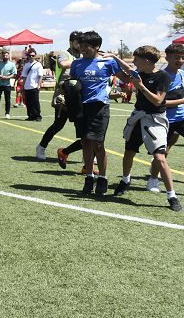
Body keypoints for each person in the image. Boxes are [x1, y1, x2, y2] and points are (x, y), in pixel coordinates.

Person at [107, 46, 178, 210]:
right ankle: (125, 180)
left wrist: (140, 86)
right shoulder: (140, 72)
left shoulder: (162, 76)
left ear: (146, 61)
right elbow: (126, 67)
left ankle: (172, 195)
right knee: (129, 152)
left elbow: (158, 101)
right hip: (138, 117)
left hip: (155, 120)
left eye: (136, 59)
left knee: (160, 158)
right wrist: (113, 56)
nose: (133, 62)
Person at [68, 30, 120, 196]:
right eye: (81, 46)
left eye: (87, 47)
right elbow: (73, 85)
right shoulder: (76, 64)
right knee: (85, 142)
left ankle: (103, 178)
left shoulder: (108, 63)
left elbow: (126, 78)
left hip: (99, 106)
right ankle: (89, 177)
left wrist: (117, 59)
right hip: (81, 107)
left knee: (98, 143)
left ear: (97, 46)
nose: (83, 49)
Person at [37, 32, 82, 160]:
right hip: (64, 94)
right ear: (71, 42)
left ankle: (89, 154)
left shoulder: (82, 55)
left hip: (78, 95)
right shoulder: (64, 54)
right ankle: (41, 147)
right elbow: (62, 64)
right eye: (77, 41)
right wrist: (81, 62)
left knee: (81, 126)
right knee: (58, 125)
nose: (80, 44)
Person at [146, 44, 184, 192]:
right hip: (164, 120)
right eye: (176, 57)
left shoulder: (181, 74)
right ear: (167, 58)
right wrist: (181, 101)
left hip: (181, 118)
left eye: (182, 57)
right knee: (162, 153)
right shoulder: (162, 76)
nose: (180, 60)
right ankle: (153, 180)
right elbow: (159, 102)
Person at [20, 48, 43, 121]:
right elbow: (24, 76)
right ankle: (30, 116)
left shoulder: (38, 64)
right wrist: (22, 86)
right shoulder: (26, 65)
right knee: (28, 102)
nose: (31, 57)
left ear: (35, 56)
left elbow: (40, 75)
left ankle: (38, 116)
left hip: (34, 86)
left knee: (35, 102)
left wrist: (38, 85)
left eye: (33, 55)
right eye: (30, 55)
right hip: (27, 86)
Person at [0, 50, 16, 118]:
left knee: (7, 99)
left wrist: (7, 77)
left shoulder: (12, 64)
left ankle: (7, 113)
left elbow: (14, 74)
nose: (5, 56)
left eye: (6, 55)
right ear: (2, 56)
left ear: (8, 56)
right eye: (4, 55)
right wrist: (0, 76)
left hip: (7, 85)